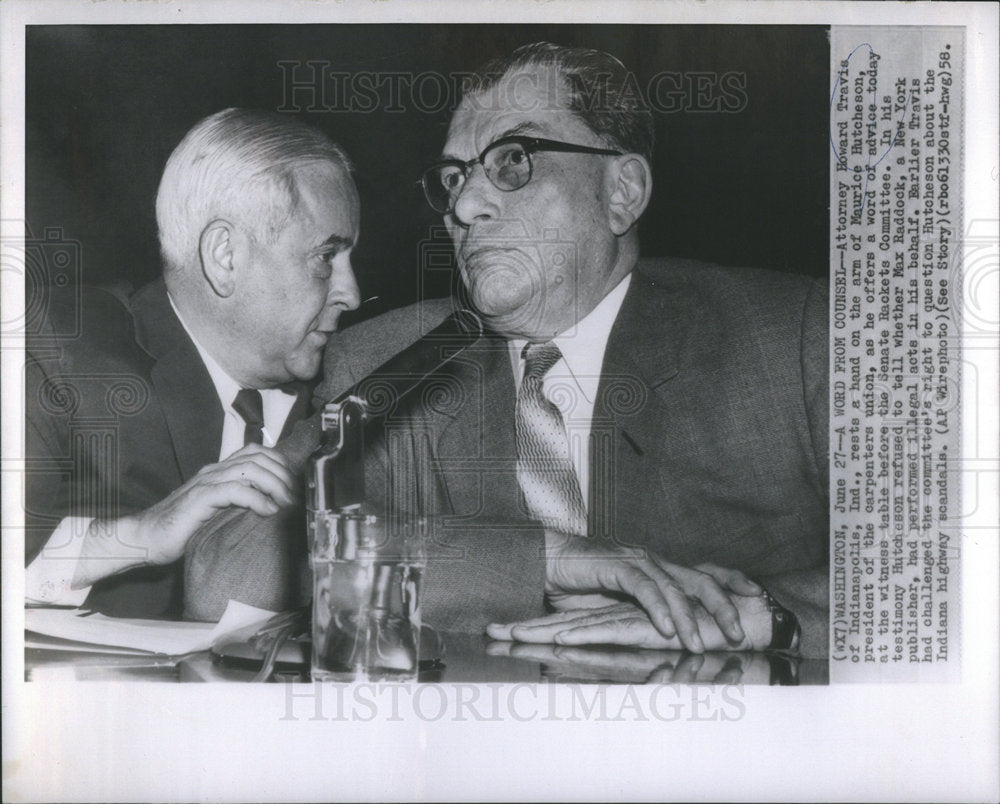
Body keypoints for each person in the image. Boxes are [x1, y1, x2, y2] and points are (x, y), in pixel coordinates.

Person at [186, 44, 828, 657]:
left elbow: (920, 580)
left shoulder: (795, 341)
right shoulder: (384, 361)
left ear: (621, 191)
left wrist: (767, 618)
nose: (465, 205)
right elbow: (224, 579)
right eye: (453, 176)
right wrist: (543, 557)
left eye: (513, 161)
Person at [25, 108, 362, 618]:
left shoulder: (351, 386)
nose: (352, 294)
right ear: (225, 255)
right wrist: (138, 536)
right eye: (325, 258)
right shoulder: (57, 356)